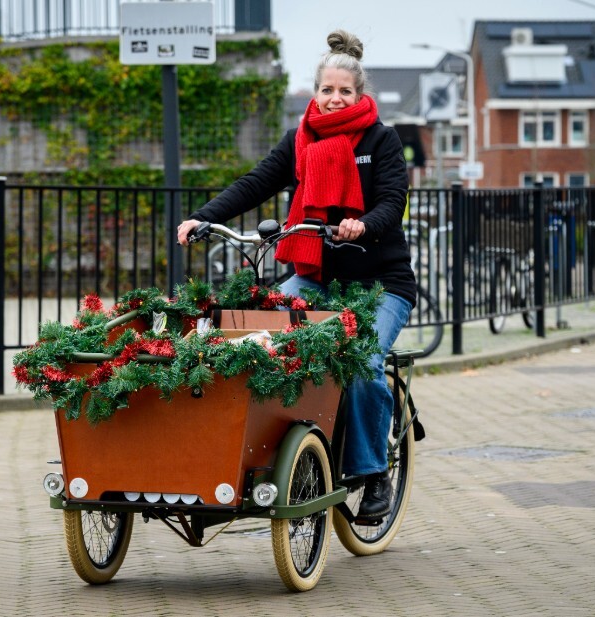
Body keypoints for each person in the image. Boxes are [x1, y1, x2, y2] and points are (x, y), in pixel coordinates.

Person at [177, 29, 416, 522]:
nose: (334, 99)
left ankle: (374, 476)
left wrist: (362, 225)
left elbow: (393, 201)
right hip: (315, 275)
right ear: (315, 93)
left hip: (381, 282)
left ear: (359, 94)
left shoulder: (381, 139)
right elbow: (256, 182)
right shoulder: (299, 140)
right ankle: (263, 461)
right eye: (326, 90)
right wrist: (204, 217)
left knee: (364, 360)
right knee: (258, 336)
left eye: (344, 91)